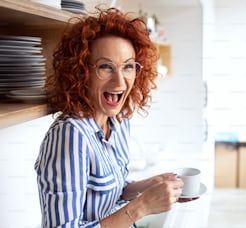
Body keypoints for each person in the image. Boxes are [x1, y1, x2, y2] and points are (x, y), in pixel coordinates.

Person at [34, 7, 191, 228]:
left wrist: (150, 184)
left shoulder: (117, 122)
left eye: (128, 66)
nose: (119, 82)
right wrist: (142, 206)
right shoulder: (70, 136)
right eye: (106, 67)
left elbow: (110, 192)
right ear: (81, 73)